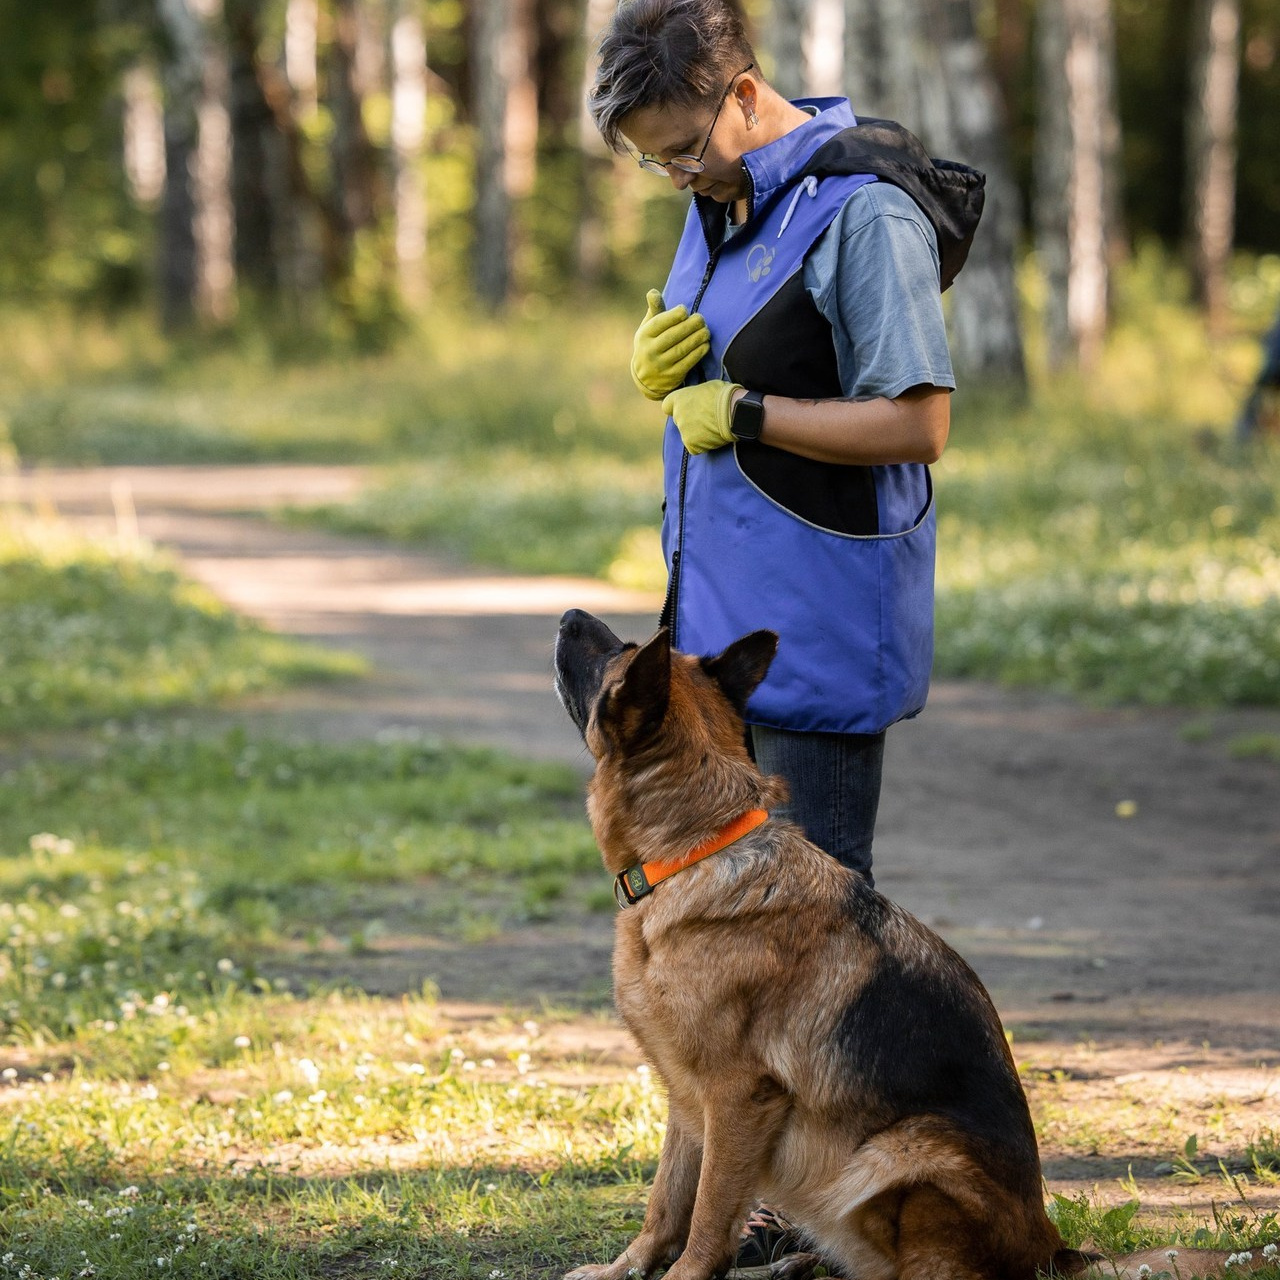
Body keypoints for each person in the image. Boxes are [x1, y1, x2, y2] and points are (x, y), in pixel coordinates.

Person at [589, 0, 980, 894]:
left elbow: (919, 425)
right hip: (719, 638)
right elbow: (734, 366)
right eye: (657, 162)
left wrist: (744, 412)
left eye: (686, 149)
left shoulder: (866, 217)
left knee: (819, 926)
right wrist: (669, 381)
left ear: (748, 95)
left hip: (816, 631)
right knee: (739, 919)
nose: (680, 175)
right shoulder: (721, 200)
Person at [1236, 301, 1280, 441]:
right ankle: (1243, 436)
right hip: (1273, 368)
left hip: (1272, 368)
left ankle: (1243, 436)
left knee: (1257, 397)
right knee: (1256, 399)